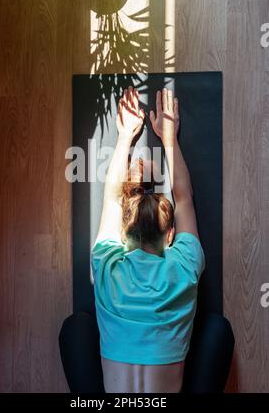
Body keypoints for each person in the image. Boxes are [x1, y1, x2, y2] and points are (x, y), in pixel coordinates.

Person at [90, 86, 205, 393]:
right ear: (171, 236)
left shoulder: (106, 265)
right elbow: (184, 198)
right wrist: (170, 138)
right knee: (218, 328)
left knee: (74, 326)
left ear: (123, 233)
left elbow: (113, 199)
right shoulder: (183, 265)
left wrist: (125, 136)